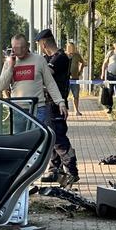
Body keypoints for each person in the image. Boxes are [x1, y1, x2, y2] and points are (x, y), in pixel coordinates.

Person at [35, 29, 79, 185]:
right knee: (51, 137)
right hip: (48, 103)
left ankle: (72, 171)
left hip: (56, 104)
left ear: (44, 43)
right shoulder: (49, 58)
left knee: (59, 139)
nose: (39, 47)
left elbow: (45, 74)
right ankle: (55, 170)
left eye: (39, 44)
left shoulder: (60, 58)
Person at [0, 34, 67, 131]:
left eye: (22, 47)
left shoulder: (39, 60)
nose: (20, 51)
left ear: (27, 46)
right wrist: (11, 67)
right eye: (16, 48)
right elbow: (1, 86)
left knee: (36, 140)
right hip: (18, 110)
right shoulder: (9, 63)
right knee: (20, 142)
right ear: (12, 48)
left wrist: (60, 102)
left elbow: (50, 83)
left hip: (37, 109)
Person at [66, 42, 85, 116]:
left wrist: (80, 71)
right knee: (64, 96)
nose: (72, 49)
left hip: (75, 78)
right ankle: (65, 111)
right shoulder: (64, 55)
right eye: (70, 47)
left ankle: (76, 110)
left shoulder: (77, 55)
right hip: (66, 80)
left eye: (73, 47)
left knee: (76, 95)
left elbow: (83, 63)